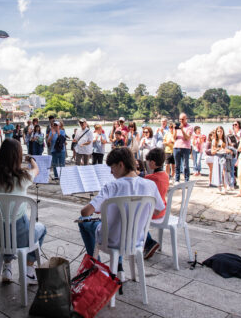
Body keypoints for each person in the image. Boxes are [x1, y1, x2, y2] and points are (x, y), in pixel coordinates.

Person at [78, 147, 164, 279]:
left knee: (83, 221)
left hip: (111, 240)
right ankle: (118, 268)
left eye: (112, 168)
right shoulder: (150, 185)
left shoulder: (111, 186)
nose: (111, 172)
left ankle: (96, 266)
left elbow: (85, 212)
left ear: (121, 165)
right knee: (121, 224)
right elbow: (158, 209)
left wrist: (103, 207)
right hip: (137, 239)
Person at [0, 138, 47, 284]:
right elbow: (36, 170)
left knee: (6, 227)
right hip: (22, 238)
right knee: (41, 228)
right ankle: (29, 270)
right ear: (18, 156)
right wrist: (32, 160)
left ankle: (7, 267)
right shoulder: (23, 178)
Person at [143, 148, 169, 259]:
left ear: (153, 163)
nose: (148, 164)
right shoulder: (165, 175)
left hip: (154, 212)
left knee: (133, 214)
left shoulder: (150, 178)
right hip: (163, 210)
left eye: (148, 161)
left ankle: (148, 242)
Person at [173, 113, 193, 183]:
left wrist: (182, 130)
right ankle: (177, 180)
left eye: (182, 119)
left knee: (186, 165)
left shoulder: (190, 127)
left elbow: (187, 138)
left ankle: (186, 179)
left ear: (186, 119)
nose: (181, 121)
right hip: (176, 147)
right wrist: (175, 130)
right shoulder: (177, 127)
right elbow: (174, 138)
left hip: (185, 148)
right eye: (180, 119)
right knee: (177, 165)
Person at [211, 126, 231, 194]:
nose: (219, 133)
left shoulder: (225, 139)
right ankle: (219, 186)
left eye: (221, 131)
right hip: (217, 156)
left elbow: (228, 148)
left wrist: (226, 150)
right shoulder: (214, 140)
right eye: (218, 131)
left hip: (223, 156)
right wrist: (217, 149)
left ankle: (225, 186)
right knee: (217, 171)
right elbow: (212, 151)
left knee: (223, 171)